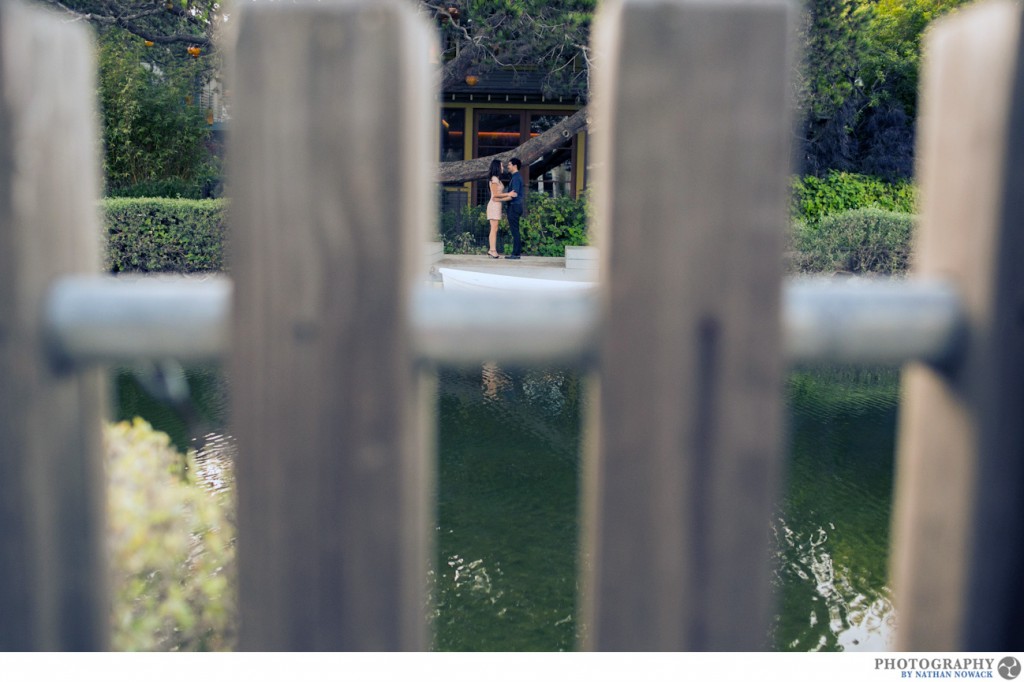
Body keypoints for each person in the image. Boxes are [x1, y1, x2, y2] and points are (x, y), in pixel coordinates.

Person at [485, 159, 514, 258]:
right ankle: (492, 250)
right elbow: (495, 195)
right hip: (493, 205)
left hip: (497, 205)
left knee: (495, 228)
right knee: (493, 228)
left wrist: (507, 197)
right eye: (501, 166)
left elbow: (497, 196)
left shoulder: (497, 179)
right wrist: (508, 195)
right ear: (497, 167)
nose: (503, 168)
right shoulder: (494, 179)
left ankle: (492, 250)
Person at [505, 157, 524, 259]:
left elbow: (514, 194)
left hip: (514, 206)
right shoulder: (515, 177)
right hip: (515, 206)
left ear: (514, 166)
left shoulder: (516, 178)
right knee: (515, 230)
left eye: (509, 164)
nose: (508, 166)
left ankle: (516, 254)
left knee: (515, 230)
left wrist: (500, 198)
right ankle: (516, 253)